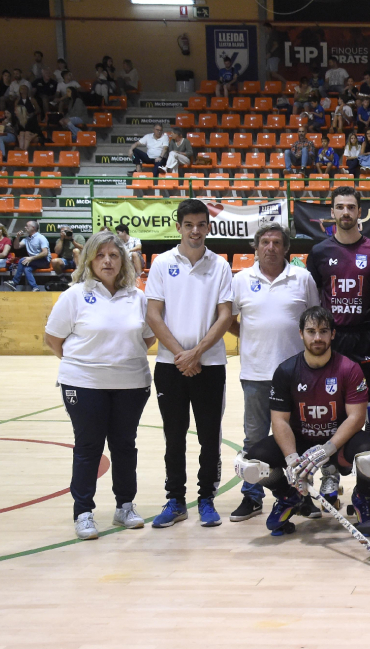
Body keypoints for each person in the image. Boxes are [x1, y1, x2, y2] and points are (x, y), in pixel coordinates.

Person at [235, 306, 370, 532]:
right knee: (249, 465)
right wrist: (291, 459)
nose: (317, 337)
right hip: (300, 441)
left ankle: (362, 499)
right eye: (311, 331)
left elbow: (356, 418)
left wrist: (326, 450)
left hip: (338, 443)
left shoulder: (349, 368)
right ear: (300, 334)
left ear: (333, 334)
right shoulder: (286, 371)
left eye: (324, 331)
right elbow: (279, 421)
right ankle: (289, 497)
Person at [44, 230, 155, 540]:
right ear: (89, 259)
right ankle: (83, 512)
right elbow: (54, 340)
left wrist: (119, 359)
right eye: (101, 255)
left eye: (114, 255)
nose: (108, 260)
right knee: (88, 447)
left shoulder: (137, 296)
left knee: (124, 446)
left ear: (124, 260)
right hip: (83, 384)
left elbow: (147, 337)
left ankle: (125, 507)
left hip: (131, 384)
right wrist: (86, 365)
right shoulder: (75, 295)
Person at [145, 199, 234, 528]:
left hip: (209, 365)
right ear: (179, 226)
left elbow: (226, 315)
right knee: (174, 436)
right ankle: (176, 499)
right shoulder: (162, 263)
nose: (195, 231)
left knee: (209, 436)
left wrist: (196, 353)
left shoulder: (220, 266)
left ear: (208, 227)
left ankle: (207, 498)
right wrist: (181, 355)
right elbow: (153, 314)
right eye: (189, 225)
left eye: (201, 224)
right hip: (170, 367)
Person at [228, 224, 318, 521]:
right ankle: (252, 496)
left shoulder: (302, 278)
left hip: (296, 376)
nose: (270, 247)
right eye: (264, 242)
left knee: (298, 440)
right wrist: (252, 338)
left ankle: (303, 496)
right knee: (253, 438)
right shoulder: (240, 280)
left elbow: (314, 321)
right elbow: (228, 320)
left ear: (286, 248)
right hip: (255, 374)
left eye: (276, 242)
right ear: (256, 247)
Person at [305, 186, 370, 447]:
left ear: (359, 212)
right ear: (332, 212)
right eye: (340, 207)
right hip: (333, 340)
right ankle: (332, 471)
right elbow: (315, 295)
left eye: (351, 207)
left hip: (366, 337)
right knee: (329, 407)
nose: (346, 212)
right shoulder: (319, 252)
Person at [10, 221, 51, 291]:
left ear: (33, 228)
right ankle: (35, 288)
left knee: (22, 260)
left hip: (44, 261)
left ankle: (14, 282)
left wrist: (31, 258)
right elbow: (16, 247)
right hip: (34, 261)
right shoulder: (26, 239)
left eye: (27, 226)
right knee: (27, 269)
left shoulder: (41, 238)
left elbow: (45, 253)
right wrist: (17, 237)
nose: (25, 228)